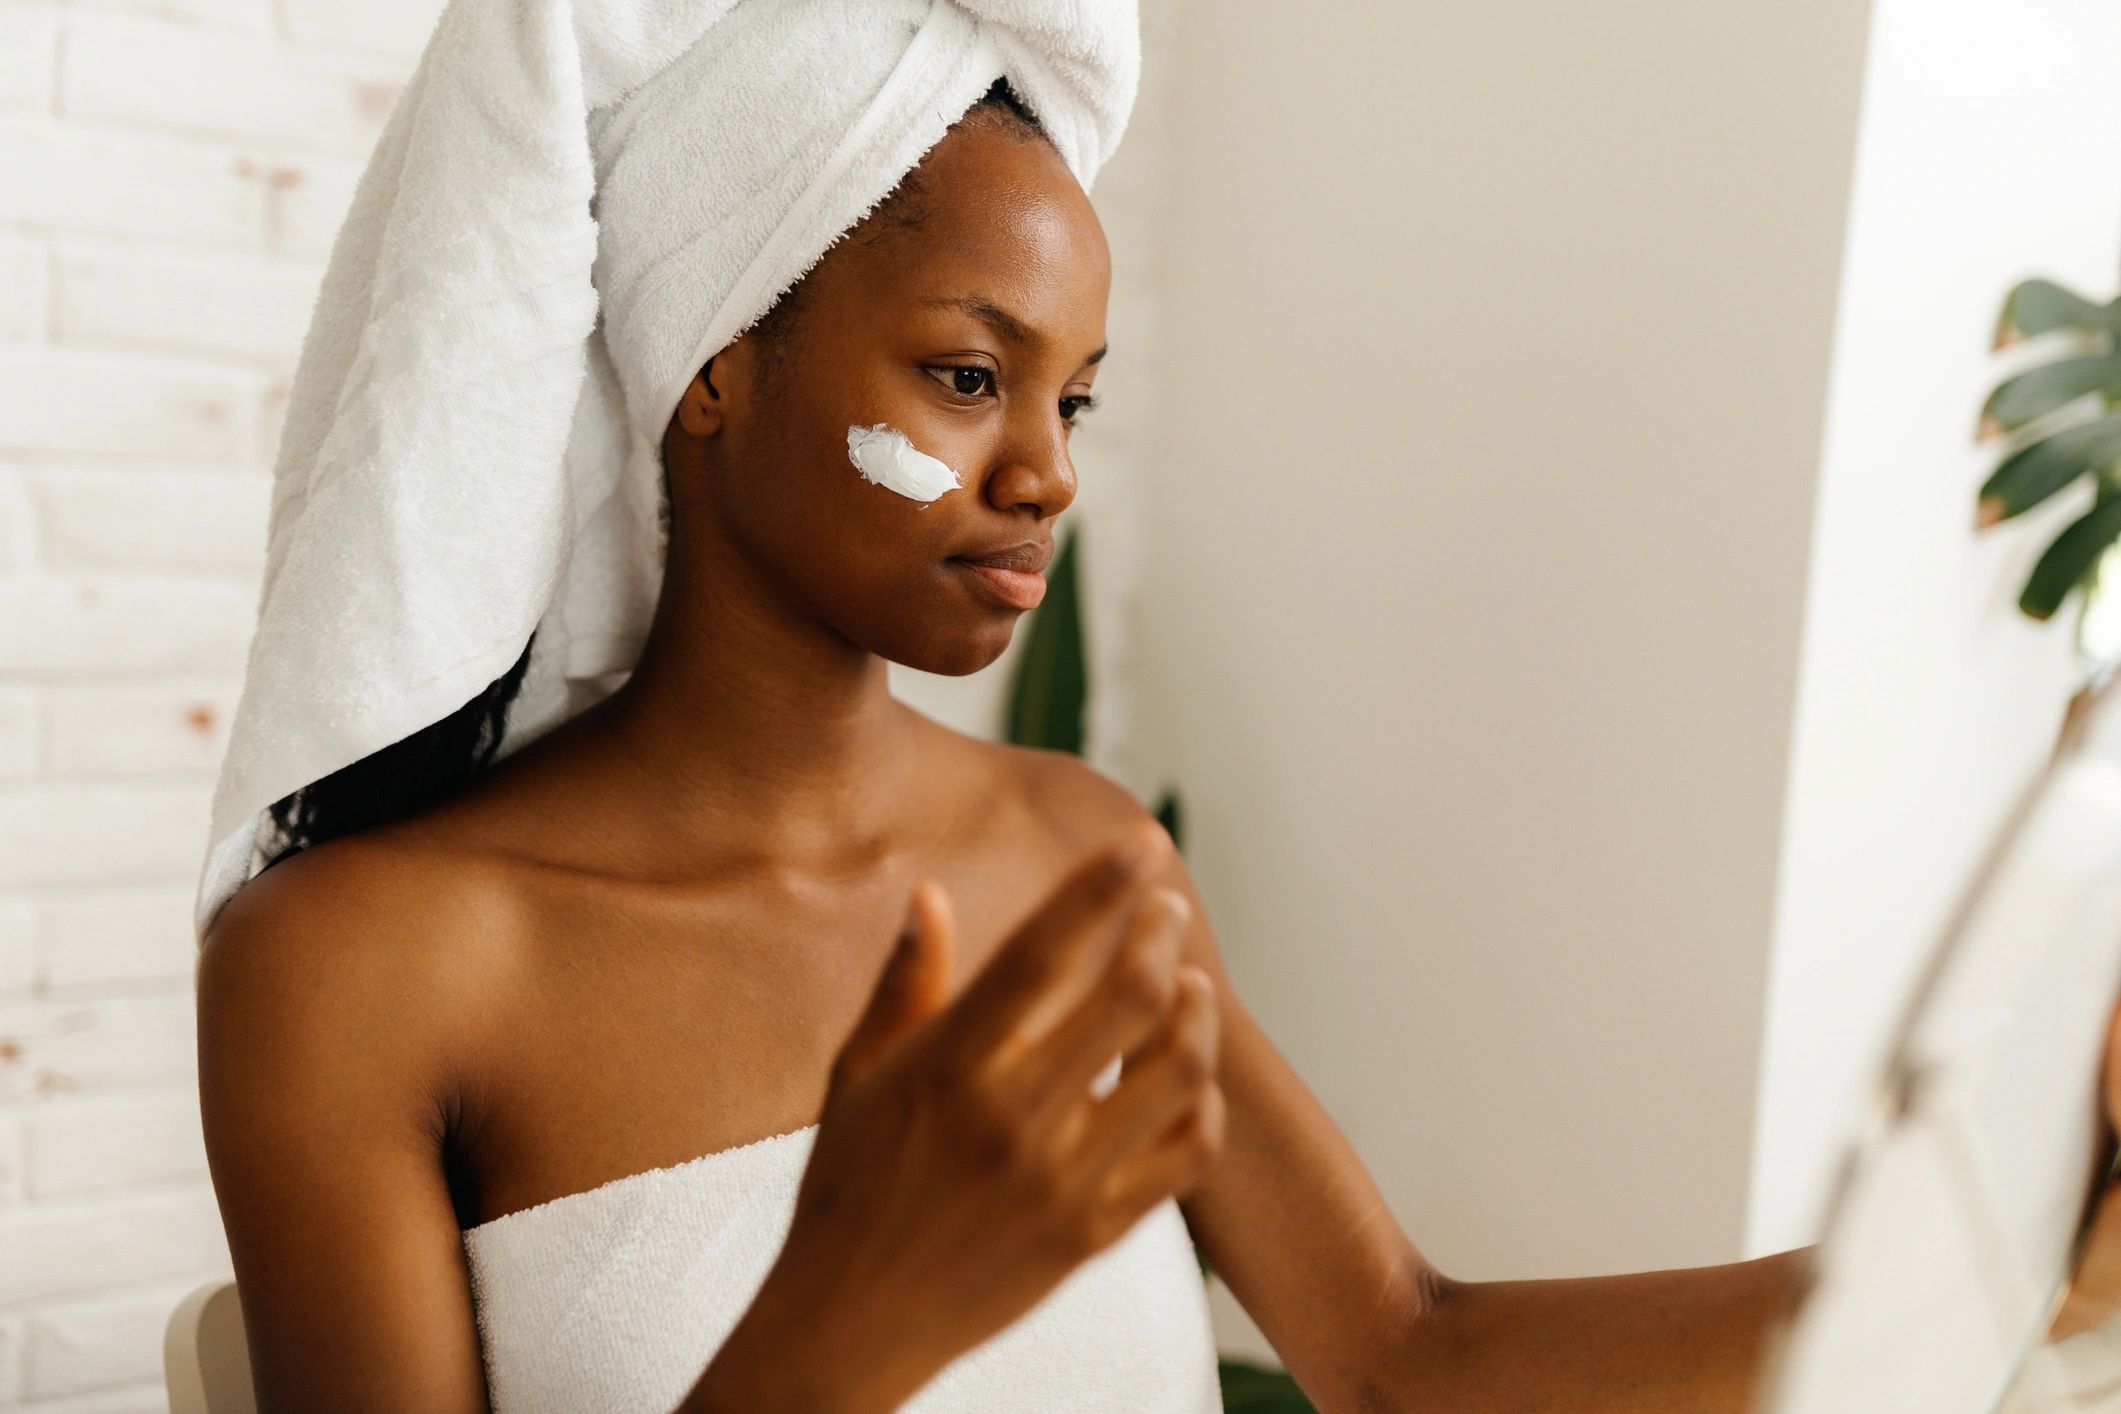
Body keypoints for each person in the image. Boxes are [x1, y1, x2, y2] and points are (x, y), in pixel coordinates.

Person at [191, 58, 2121, 1414]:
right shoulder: (357, 968)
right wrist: (843, 1314)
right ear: (714, 363)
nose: (1040, 473)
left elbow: (1404, 1356)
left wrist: (2019, 1266)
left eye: (1076, 404)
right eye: (966, 376)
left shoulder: (1083, 857)